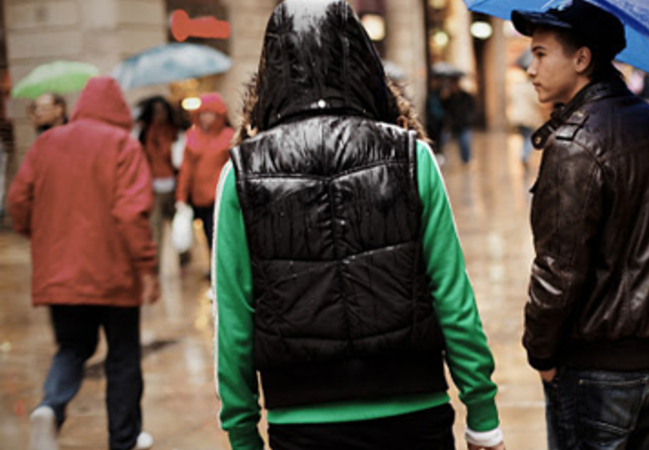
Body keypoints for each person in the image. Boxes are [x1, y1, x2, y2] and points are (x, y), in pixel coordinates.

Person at [214, 1, 505, 450]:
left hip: (303, 423)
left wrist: (241, 433)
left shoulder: (241, 174)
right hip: (415, 414)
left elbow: (233, 320)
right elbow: (453, 296)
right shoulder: (411, 156)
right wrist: (482, 415)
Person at [511, 1, 649, 449]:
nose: (530, 68)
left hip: (598, 370)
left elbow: (557, 270)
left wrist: (541, 353)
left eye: (541, 54)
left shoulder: (576, 142)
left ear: (582, 59)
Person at [7, 76, 159, 450]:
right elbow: (131, 212)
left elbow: (19, 201)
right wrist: (148, 267)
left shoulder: (46, 143)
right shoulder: (123, 144)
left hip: (62, 273)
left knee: (72, 347)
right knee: (122, 357)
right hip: (115, 274)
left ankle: (50, 406)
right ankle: (123, 439)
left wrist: (41, 236)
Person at [175, 92, 233, 263]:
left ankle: (221, 265)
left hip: (220, 197)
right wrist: (181, 197)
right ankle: (212, 265)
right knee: (206, 236)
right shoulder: (192, 136)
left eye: (209, 113)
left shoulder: (228, 136)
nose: (206, 118)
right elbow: (186, 170)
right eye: (202, 114)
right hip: (199, 197)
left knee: (219, 235)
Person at [136, 96, 181, 271]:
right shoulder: (144, 134)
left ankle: (184, 262)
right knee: (155, 230)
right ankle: (155, 268)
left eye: (162, 111)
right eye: (156, 112)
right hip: (153, 187)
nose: (159, 115)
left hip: (174, 186)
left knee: (179, 227)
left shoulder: (175, 132)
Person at [442, 79, 477, 164]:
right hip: (456, 125)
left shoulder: (466, 96)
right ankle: (463, 159)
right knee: (459, 143)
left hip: (465, 123)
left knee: (465, 142)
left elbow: (471, 107)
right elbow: (446, 108)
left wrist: (470, 118)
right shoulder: (451, 97)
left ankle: (466, 159)